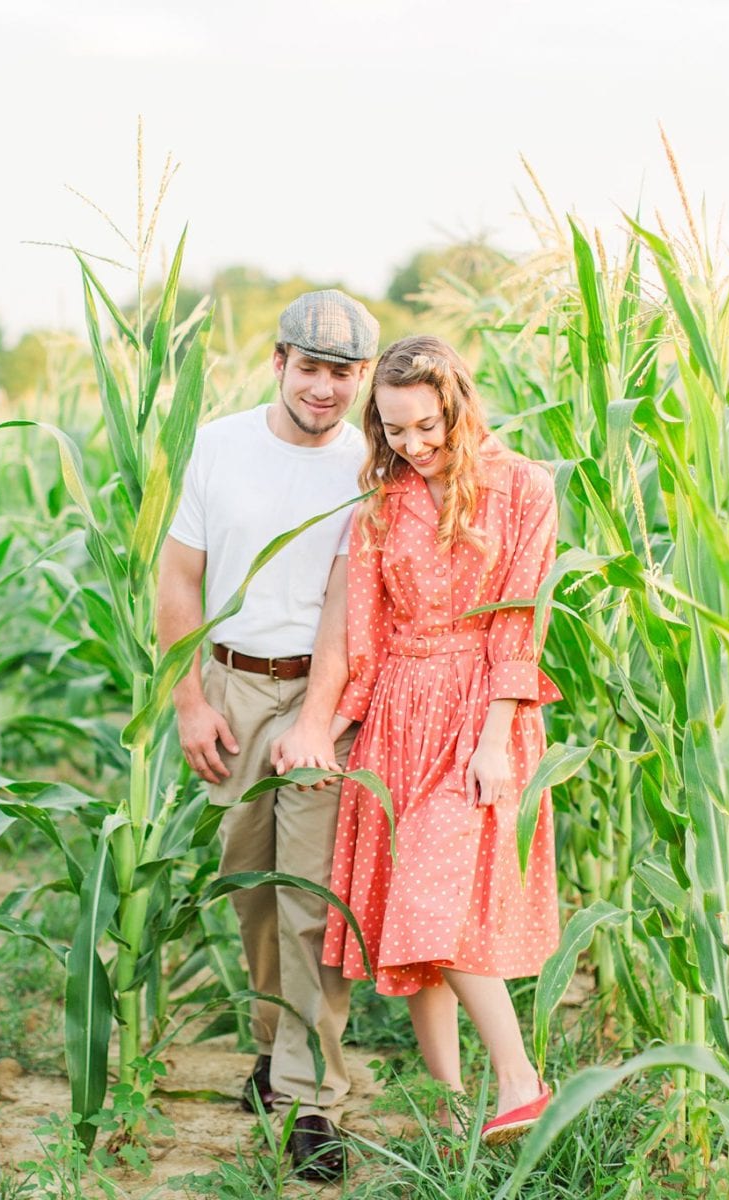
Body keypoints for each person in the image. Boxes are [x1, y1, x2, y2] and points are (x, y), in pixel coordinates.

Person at [279, 333, 562, 1144]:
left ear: (459, 405)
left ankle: (518, 1081)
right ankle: (449, 1106)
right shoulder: (381, 505)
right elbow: (362, 635)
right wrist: (322, 732)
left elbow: (519, 619)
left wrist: (497, 736)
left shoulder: (522, 489)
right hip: (399, 717)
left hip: (479, 713)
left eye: (429, 425)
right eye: (396, 431)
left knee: (430, 899)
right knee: (414, 928)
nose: (415, 445)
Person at [157, 289, 379, 1180]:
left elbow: (345, 606)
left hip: (319, 692)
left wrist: (319, 720)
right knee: (249, 886)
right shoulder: (216, 447)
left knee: (311, 900)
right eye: (313, 368)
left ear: (363, 380)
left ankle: (312, 1098)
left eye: (344, 374)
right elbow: (178, 576)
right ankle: (273, 1044)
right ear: (279, 363)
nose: (325, 389)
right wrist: (187, 701)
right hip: (229, 684)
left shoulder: (368, 463)